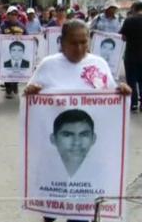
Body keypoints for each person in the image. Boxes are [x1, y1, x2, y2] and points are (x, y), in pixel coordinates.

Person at [24, 19, 131, 222]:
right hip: (56, 156)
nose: (80, 48)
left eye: (84, 42)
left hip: (87, 155)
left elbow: (110, 100)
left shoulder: (98, 64)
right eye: (74, 43)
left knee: (81, 213)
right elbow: (32, 104)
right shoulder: (48, 66)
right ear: (62, 42)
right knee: (51, 210)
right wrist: (30, 92)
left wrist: (121, 91)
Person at [50, 109, 96, 177]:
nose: (76, 142)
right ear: (53, 139)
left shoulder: (106, 173)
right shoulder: (41, 171)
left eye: (84, 135)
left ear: (93, 139)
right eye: (67, 135)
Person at [0, 5, 28, 98]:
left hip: (18, 52)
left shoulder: (22, 26)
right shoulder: (3, 26)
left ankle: (15, 83)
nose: (13, 16)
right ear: (7, 15)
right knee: (7, 70)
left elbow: (27, 37)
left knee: (16, 69)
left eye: (15, 14)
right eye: (11, 14)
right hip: (6, 52)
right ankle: (8, 86)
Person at [120, 1, 142, 112]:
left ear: (134, 8)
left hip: (131, 55)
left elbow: (123, 37)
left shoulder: (129, 20)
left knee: (131, 80)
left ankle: (133, 104)